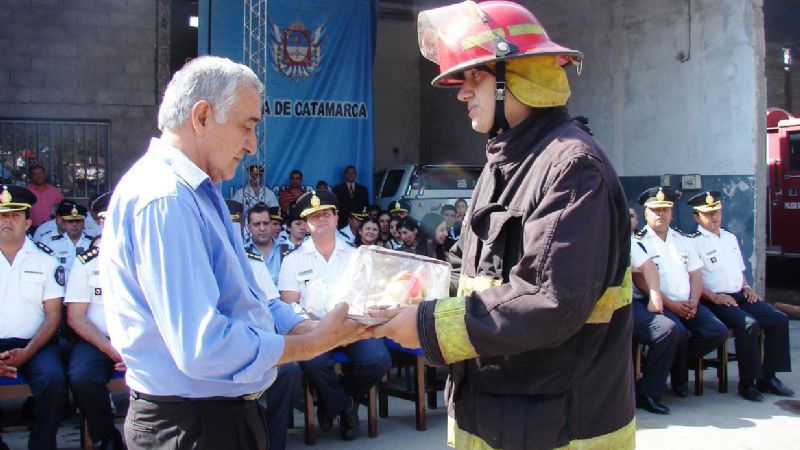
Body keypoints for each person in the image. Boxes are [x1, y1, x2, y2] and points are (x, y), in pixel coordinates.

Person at [372, 2, 635, 448]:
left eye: (474, 76)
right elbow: (471, 272)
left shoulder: (572, 167)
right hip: (496, 414)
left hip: (558, 427)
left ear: (515, 78)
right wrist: (416, 287)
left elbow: (551, 301)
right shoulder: (504, 162)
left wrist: (427, 325)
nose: (460, 93)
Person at [98, 56, 366, 450]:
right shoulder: (166, 198)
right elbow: (203, 346)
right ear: (202, 116)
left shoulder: (199, 193)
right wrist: (310, 345)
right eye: (247, 126)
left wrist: (305, 328)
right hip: (193, 423)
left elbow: (245, 294)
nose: (253, 146)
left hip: (217, 416)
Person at [278, 190, 391, 441]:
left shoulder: (354, 255)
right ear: (306, 224)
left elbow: (364, 296)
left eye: (326, 214)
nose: (320, 219)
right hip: (314, 329)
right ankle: (347, 408)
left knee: (379, 359)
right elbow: (289, 304)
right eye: (314, 216)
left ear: (336, 218)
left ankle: (336, 401)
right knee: (313, 362)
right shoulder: (293, 260)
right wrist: (312, 327)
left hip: (352, 327)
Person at [687, 191, 794, 400]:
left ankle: (768, 378)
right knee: (748, 324)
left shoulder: (729, 237)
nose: (713, 217)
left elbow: (739, 271)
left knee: (778, 319)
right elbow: (693, 279)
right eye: (707, 214)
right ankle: (748, 382)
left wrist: (747, 288)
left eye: (716, 212)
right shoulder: (692, 242)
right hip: (715, 300)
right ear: (696, 217)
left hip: (740, 294)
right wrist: (715, 297)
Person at [634, 186, 729, 398]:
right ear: (646, 213)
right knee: (676, 333)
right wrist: (671, 305)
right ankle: (673, 381)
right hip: (659, 304)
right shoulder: (640, 241)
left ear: (672, 213)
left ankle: (677, 366)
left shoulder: (683, 240)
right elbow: (640, 280)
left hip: (688, 303)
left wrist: (695, 301)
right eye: (655, 210)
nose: (660, 214)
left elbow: (695, 275)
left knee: (717, 331)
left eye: (665, 210)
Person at [0, 185, 68, 450]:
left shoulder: (46, 260)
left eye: (14, 215)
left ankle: (41, 445)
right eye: (2, 215)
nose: (7, 220)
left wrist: (27, 352)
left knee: (55, 379)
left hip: (35, 344)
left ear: (28, 222)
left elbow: (53, 317)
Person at [64, 191, 125, 449]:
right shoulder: (86, 263)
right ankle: (107, 437)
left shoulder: (148, 258)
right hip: (97, 340)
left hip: (140, 338)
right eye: (107, 220)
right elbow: (76, 317)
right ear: (100, 223)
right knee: (81, 376)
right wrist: (112, 350)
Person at [628, 207, 683, 415]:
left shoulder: (626, 240)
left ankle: (648, 393)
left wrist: (654, 296)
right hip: (584, 307)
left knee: (667, 329)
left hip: (625, 305)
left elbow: (649, 266)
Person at [47, 200, 94, 280]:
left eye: (78, 221)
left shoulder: (91, 244)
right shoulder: (53, 244)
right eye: (70, 221)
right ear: (64, 224)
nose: (74, 224)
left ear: (83, 223)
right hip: (61, 289)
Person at [245, 203, 284, 286]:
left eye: (266, 223)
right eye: (256, 224)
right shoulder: (242, 254)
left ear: (271, 224)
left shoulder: (287, 250)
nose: (262, 228)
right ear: (249, 228)